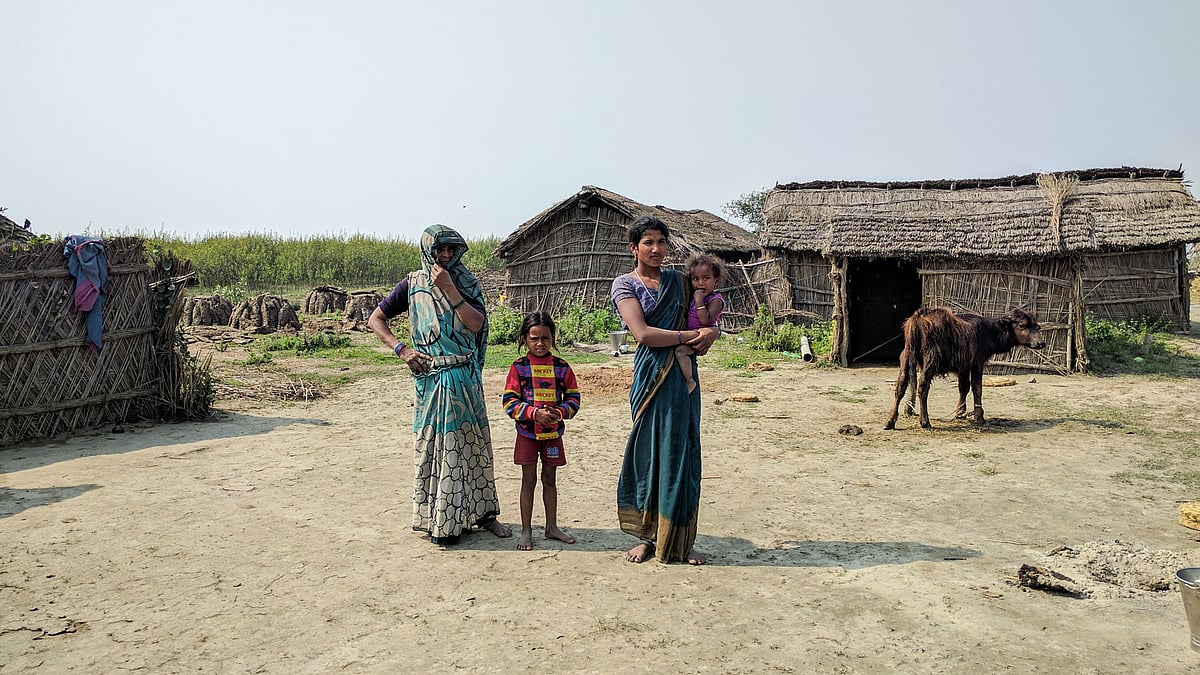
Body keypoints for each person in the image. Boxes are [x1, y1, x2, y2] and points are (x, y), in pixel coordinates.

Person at [367, 224, 512, 545]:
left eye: (451, 250)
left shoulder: (465, 282)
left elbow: (476, 325)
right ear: (427, 251)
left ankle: (484, 515)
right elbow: (375, 319)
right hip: (430, 379)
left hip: (464, 377)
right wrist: (401, 349)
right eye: (439, 250)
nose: (445, 256)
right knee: (434, 448)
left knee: (472, 447)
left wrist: (450, 289)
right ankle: (441, 520)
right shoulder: (412, 284)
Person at [610, 215, 720, 564]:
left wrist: (712, 332)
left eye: (661, 241)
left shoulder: (681, 281)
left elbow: (705, 320)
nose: (656, 249)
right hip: (650, 375)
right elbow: (643, 334)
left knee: (680, 452)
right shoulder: (624, 284)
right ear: (634, 248)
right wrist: (688, 338)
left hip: (683, 377)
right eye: (648, 242)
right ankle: (646, 536)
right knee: (650, 453)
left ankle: (680, 541)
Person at [501, 312, 581, 551]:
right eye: (534, 338)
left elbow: (574, 399)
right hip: (527, 435)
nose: (540, 343)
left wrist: (560, 412)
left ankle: (552, 527)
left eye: (545, 338)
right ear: (525, 338)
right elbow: (508, 402)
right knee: (528, 481)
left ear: (552, 338)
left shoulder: (562, 367)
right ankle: (526, 530)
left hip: (553, 435)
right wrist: (534, 414)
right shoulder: (518, 368)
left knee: (550, 480)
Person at [674, 253, 726, 394]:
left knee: (680, 352)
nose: (700, 283)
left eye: (706, 278)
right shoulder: (693, 295)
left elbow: (706, 320)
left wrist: (698, 300)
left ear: (716, 281)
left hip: (700, 338)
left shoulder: (715, 300)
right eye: (695, 279)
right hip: (690, 334)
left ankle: (690, 380)